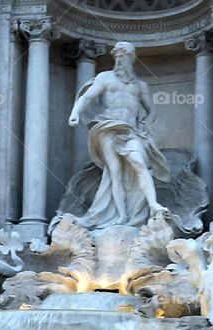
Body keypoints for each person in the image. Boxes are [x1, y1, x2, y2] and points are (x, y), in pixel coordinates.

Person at [68, 42, 170, 229]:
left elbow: (151, 111)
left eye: (125, 55)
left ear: (132, 57)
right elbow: (87, 97)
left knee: (140, 164)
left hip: (130, 131)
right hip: (108, 127)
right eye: (118, 55)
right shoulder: (105, 78)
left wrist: (145, 124)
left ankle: (153, 204)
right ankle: (122, 215)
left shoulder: (139, 86)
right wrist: (75, 112)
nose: (121, 59)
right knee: (114, 172)